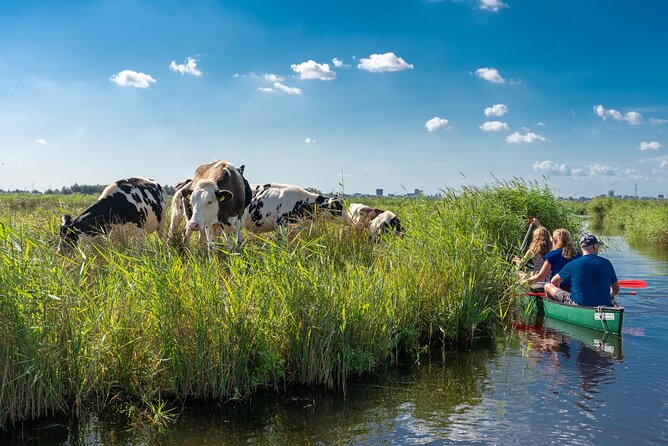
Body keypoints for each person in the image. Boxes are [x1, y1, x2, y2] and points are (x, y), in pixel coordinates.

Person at [544, 234, 620, 307]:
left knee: (547, 286)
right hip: (604, 305)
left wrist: (560, 287)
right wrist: (610, 296)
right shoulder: (607, 263)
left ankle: (555, 307)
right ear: (594, 246)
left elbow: (554, 281)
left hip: (578, 304)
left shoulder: (574, 263)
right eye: (598, 245)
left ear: (582, 248)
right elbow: (616, 288)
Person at [524, 220, 581, 288]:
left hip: (556, 287)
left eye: (553, 238)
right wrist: (539, 224)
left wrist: (521, 283)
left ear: (557, 241)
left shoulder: (552, 254)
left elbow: (541, 276)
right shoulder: (578, 255)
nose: (551, 240)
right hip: (573, 288)